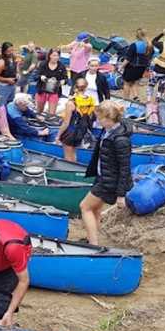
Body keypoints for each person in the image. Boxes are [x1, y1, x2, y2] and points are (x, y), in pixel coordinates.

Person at [80, 101, 133, 246]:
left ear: (108, 119)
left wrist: (121, 195)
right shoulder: (108, 131)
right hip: (102, 176)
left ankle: (93, 244)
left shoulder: (120, 139)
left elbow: (125, 167)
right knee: (95, 209)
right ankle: (94, 240)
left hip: (109, 181)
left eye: (99, 118)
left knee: (85, 207)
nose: (97, 121)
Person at [56, 77, 97, 162]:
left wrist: (58, 135)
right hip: (82, 130)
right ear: (86, 87)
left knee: (67, 156)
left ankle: (70, 172)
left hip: (70, 131)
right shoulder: (91, 100)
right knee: (74, 152)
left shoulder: (71, 103)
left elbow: (66, 123)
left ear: (75, 88)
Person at [118, 28, 152, 100]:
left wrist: (121, 66)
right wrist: (147, 69)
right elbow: (150, 58)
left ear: (136, 36)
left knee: (126, 83)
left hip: (132, 67)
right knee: (135, 82)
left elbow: (128, 59)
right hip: (142, 68)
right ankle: (136, 97)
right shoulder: (149, 45)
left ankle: (126, 99)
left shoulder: (134, 45)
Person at [35, 49, 67, 116]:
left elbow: (65, 79)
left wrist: (62, 82)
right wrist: (41, 77)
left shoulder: (62, 66)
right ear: (49, 56)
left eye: (58, 55)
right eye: (54, 55)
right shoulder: (43, 64)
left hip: (54, 91)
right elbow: (35, 76)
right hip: (42, 90)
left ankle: (50, 123)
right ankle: (38, 123)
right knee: (39, 112)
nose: (56, 57)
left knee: (51, 114)